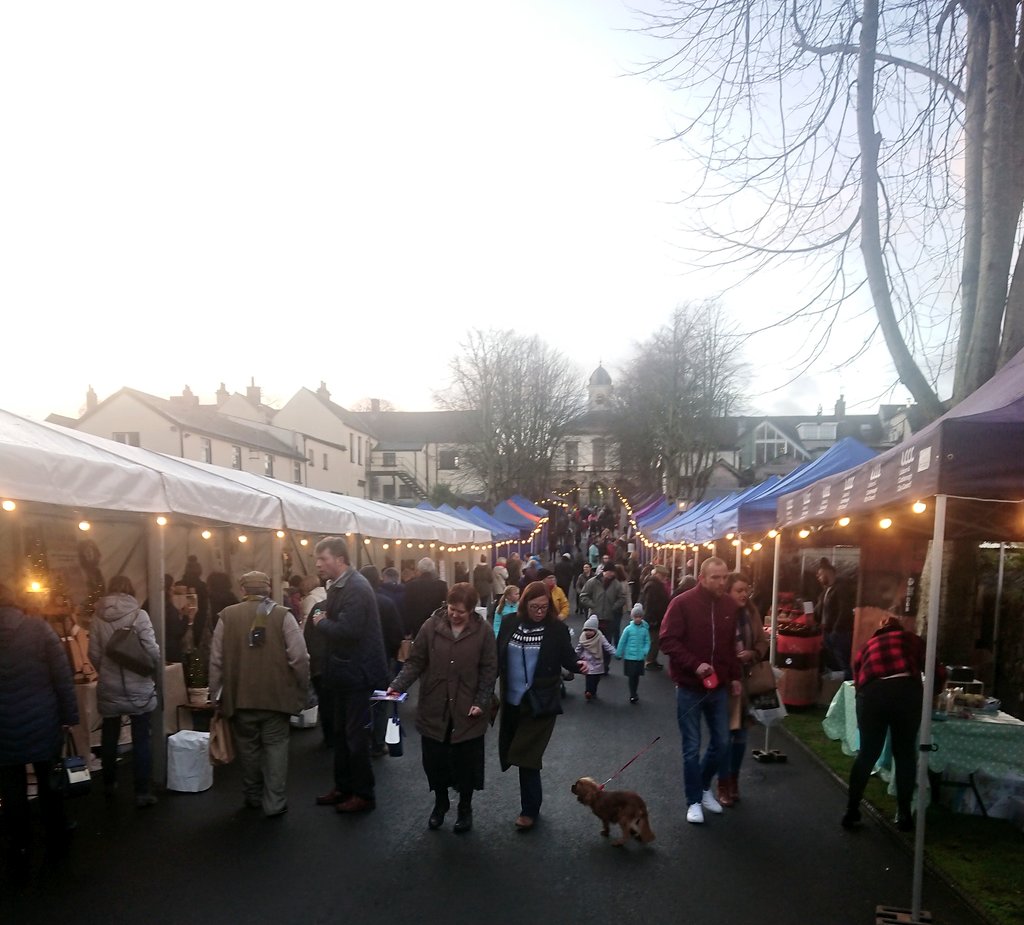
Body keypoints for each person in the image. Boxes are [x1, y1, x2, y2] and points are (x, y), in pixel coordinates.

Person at [386, 584, 497, 833]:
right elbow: (416, 661)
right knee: (435, 762)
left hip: (467, 708)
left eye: (461, 611)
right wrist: (397, 685)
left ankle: (465, 808)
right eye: (451, 609)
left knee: (466, 765)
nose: (454, 615)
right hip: (434, 705)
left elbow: (489, 670)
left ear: (471, 611)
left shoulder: (484, 632)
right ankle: (440, 802)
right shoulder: (430, 627)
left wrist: (481, 702)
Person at [209, 571, 309, 817]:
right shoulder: (283, 615)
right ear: (268, 589)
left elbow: (216, 660)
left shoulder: (227, 616)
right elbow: (299, 657)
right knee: (276, 747)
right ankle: (274, 802)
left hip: (239, 696)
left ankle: (252, 795)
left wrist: (215, 694)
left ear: (243, 590)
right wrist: (301, 686)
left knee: (248, 748)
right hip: (276, 696)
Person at [0, 583, 79, 877]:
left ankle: (18, 840)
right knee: (49, 780)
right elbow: (63, 677)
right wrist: (69, 716)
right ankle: (57, 829)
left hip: (4, 725)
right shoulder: (39, 629)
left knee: (11, 787)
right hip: (42, 719)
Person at [496, 581, 586, 830]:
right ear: (524, 604)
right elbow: (497, 657)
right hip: (512, 701)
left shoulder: (556, 629)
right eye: (535, 607)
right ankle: (530, 806)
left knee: (527, 756)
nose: (540, 611)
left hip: (542, 702)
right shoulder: (509, 623)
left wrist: (579, 665)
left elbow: (568, 656)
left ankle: (529, 810)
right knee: (515, 751)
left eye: (545, 607)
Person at [659, 557, 742, 825]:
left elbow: (730, 645)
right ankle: (693, 800)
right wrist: (695, 665)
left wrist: (735, 676)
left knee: (722, 742)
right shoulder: (682, 603)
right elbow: (667, 640)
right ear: (702, 578)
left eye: (724, 577)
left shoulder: (729, 605)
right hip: (689, 687)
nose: (721, 582)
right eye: (716, 577)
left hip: (718, 686)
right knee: (691, 746)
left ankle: (704, 787)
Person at [312, 537, 389, 814]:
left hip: (357, 673)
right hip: (344, 672)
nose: (318, 564)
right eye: (317, 559)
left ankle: (364, 794)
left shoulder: (355, 587)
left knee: (356, 737)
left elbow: (349, 630)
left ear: (340, 559)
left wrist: (321, 622)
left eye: (324, 559)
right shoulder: (340, 586)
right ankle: (343, 787)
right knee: (342, 734)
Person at [843, 616, 941, 832]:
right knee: (905, 753)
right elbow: (936, 669)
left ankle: (851, 810)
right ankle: (904, 814)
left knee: (867, 754)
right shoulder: (912, 639)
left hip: (873, 694)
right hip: (907, 692)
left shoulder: (867, 646)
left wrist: (865, 701)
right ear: (899, 628)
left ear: (880, 630)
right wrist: (935, 693)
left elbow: (858, 678)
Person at [88, 575, 161, 808]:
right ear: (130, 590)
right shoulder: (139, 615)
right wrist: (148, 667)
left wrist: (107, 671)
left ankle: (109, 784)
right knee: (141, 738)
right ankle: (142, 791)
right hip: (138, 684)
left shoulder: (97, 617)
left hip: (109, 686)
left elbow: (94, 654)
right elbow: (151, 650)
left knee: (109, 735)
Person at [720, 572, 769, 807]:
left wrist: (753, 653)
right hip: (724, 683)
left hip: (746, 681)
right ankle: (723, 782)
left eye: (746, 589)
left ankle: (733, 780)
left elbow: (762, 640)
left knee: (740, 735)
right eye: (738, 590)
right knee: (725, 736)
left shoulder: (751, 612)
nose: (744, 594)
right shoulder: (719, 612)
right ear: (728, 591)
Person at [360, 566, 406, 758]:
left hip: (358, 659)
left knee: (361, 701)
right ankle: (378, 743)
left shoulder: (356, 602)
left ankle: (361, 740)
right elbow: (397, 634)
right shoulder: (386, 603)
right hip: (383, 658)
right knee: (380, 702)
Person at [815, 559, 854, 679]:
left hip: (839, 632)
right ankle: (834, 685)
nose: (819, 578)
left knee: (843, 661)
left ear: (828, 573)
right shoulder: (826, 591)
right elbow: (820, 609)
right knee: (833, 661)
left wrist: (836, 629)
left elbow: (844, 610)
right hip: (828, 631)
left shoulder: (841, 588)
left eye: (820, 575)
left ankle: (848, 685)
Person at [579, 564, 627, 660]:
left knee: (606, 642)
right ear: (604, 571)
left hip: (609, 618)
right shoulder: (592, 582)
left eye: (613, 572)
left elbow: (622, 598)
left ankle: (605, 665)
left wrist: (613, 607)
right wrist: (593, 605)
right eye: (609, 572)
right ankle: (594, 662)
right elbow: (583, 596)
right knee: (593, 641)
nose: (611, 574)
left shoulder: (616, 584)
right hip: (594, 618)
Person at [402, 557, 448, 638]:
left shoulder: (410, 586)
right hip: (436, 625)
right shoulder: (442, 585)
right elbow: (445, 606)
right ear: (433, 569)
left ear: (419, 570)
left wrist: (407, 630)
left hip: (417, 626)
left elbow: (407, 608)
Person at [616, 603, 651, 704]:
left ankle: (634, 691)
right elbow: (622, 641)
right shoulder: (628, 629)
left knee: (636, 676)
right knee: (632, 676)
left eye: (640, 617)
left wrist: (645, 651)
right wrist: (618, 653)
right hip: (630, 657)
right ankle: (633, 694)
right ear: (632, 617)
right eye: (636, 617)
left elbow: (647, 642)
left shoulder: (645, 630)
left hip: (639, 657)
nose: (638, 619)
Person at [574, 615, 615, 701]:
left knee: (596, 678)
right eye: (586, 630)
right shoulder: (583, 638)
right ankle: (588, 691)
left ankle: (593, 691)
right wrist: (573, 657)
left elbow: (607, 646)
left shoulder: (600, 637)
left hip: (597, 660)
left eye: (590, 630)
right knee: (589, 678)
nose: (588, 632)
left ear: (595, 630)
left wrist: (615, 653)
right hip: (587, 661)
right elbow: (579, 648)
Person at [641, 565, 671, 670]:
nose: (665, 578)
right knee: (654, 640)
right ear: (657, 574)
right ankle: (649, 661)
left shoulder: (654, 584)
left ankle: (652, 659)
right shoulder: (653, 586)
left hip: (656, 617)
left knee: (655, 640)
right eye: (663, 575)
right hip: (654, 618)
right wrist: (651, 618)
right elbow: (649, 604)